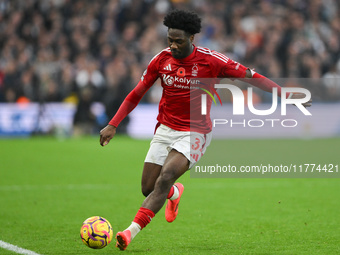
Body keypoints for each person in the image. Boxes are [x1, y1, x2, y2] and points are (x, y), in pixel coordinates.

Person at [99, 9, 311, 250]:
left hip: (195, 133)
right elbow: (136, 94)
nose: (173, 46)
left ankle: (129, 232)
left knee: (165, 177)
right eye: (170, 40)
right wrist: (113, 124)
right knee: (148, 188)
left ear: (192, 39)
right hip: (165, 129)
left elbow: (253, 77)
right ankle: (174, 194)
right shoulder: (161, 60)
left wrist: (285, 95)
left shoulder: (212, 61)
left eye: (178, 41)